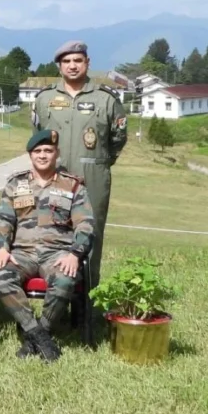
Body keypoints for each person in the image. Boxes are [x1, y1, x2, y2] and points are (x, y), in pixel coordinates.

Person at [0, 129, 95, 363]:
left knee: (65, 280)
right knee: (0, 277)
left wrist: (75, 254)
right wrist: (2, 248)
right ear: (30, 155)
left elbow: (85, 224)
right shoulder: (15, 184)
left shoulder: (73, 186)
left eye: (48, 150)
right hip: (23, 254)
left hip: (57, 254)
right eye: (37, 151)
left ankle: (37, 335)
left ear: (56, 153)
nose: (42, 155)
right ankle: (39, 334)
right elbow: (3, 221)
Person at [31, 41, 125, 287]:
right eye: (67, 61)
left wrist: (97, 163)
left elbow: (117, 140)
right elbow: (38, 137)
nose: (72, 66)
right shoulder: (45, 98)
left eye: (78, 60)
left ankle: (87, 304)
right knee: (54, 232)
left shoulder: (106, 99)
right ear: (59, 66)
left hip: (92, 177)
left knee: (91, 234)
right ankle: (58, 295)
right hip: (54, 178)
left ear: (87, 63)